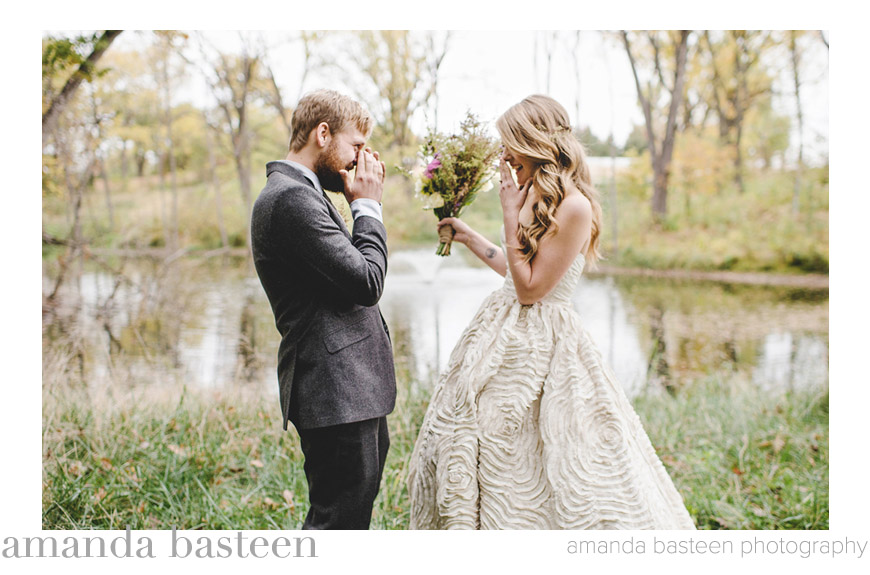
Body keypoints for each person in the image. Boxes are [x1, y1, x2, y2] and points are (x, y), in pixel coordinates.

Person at [407, 95, 695, 529]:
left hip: (544, 344)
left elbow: (530, 291)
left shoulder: (576, 207)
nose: (504, 155)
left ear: (534, 141)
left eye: (510, 144)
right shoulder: (535, 194)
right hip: (501, 334)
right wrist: (469, 238)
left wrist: (508, 213)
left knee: (541, 453)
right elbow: (515, 272)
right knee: (476, 441)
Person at [250, 89, 396, 530]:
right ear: (323, 133)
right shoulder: (291, 199)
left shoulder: (304, 194)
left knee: (349, 516)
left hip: (349, 390)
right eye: (355, 146)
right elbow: (367, 282)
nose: (358, 160)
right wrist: (368, 206)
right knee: (337, 525)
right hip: (335, 392)